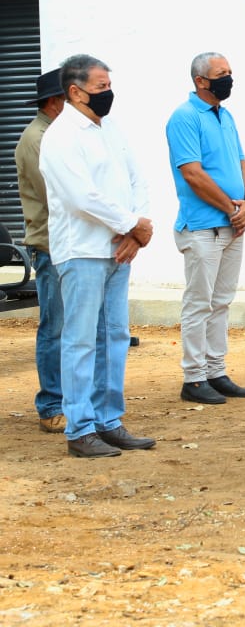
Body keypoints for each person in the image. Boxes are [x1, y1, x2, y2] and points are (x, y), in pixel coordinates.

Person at [38, 54, 155, 458]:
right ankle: (80, 427)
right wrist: (130, 225)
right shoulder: (61, 137)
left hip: (117, 249)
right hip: (82, 251)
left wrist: (136, 231)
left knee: (115, 338)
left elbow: (136, 178)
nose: (108, 94)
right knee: (81, 340)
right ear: (75, 91)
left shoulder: (110, 128)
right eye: (101, 87)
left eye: (108, 86)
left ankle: (109, 420)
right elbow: (81, 196)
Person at [165, 52, 245, 405]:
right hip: (204, 226)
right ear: (201, 80)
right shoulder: (184, 117)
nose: (228, 78)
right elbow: (192, 174)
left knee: (221, 302)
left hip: (231, 225)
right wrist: (232, 208)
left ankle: (216, 370)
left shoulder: (225, 115)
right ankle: (194, 377)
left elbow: (242, 162)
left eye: (230, 72)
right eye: (222, 73)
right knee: (199, 302)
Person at [14, 69, 68, 435]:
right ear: (53, 102)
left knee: (70, 328)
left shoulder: (56, 136)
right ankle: (50, 403)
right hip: (51, 245)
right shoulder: (38, 139)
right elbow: (57, 197)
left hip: (66, 243)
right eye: (69, 98)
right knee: (55, 328)